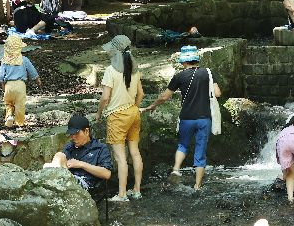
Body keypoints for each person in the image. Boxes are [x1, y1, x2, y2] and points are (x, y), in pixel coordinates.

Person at [144, 45, 221, 190]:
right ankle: (197, 186)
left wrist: (152, 106)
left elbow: (165, 97)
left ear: (183, 61)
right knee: (200, 151)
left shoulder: (179, 76)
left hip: (186, 117)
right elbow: (217, 93)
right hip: (204, 118)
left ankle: (176, 169)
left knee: (183, 145)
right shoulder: (208, 73)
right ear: (196, 59)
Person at [95, 35, 145, 202]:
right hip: (133, 113)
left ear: (115, 49)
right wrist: (135, 108)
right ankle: (137, 190)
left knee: (120, 158)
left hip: (117, 116)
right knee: (135, 153)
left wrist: (99, 113)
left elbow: (104, 98)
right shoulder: (135, 69)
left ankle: (122, 194)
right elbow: (141, 93)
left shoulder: (111, 70)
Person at [44, 114, 113, 190]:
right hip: (68, 180)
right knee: (59, 155)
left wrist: (81, 164)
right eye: (71, 134)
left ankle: (50, 172)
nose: (73, 137)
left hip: (86, 184)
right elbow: (63, 163)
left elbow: (107, 174)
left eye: (76, 133)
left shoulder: (100, 148)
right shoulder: (70, 147)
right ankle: (51, 171)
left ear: (86, 131)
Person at [0, 35, 41, 128]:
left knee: (8, 103)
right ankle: (19, 123)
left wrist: (3, 87)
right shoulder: (24, 60)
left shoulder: (4, 61)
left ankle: (9, 116)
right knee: (19, 105)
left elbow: (1, 77)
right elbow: (32, 71)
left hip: (8, 85)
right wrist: (37, 80)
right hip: (20, 85)